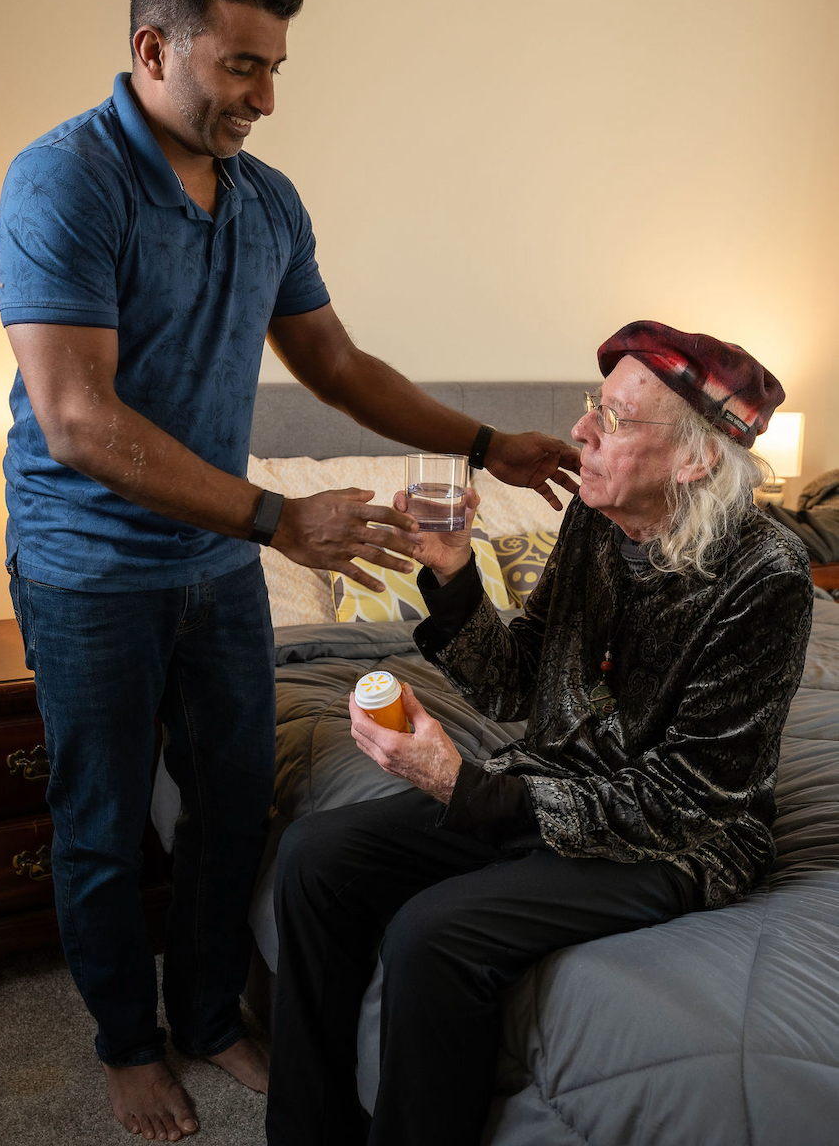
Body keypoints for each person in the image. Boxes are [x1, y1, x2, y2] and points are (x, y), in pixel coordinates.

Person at [0, 0, 578, 1144]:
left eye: (275, 69)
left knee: (232, 802)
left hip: (213, 565)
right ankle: (121, 1041)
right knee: (99, 818)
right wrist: (276, 515)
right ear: (154, 49)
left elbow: (334, 362)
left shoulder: (267, 201)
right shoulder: (61, 180)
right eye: (240, 65)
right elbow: (80, 417)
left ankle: (207, 1011)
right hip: (89, 564)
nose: (263, 97)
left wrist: (486, 442)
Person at [266, 320, 814, 1146]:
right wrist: (452, 577)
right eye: (596, 405)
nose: (581, 431)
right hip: (549, 784)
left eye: (617, 421)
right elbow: (519, 680)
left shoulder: (766, 574)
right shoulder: (596, 520)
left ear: (698, 459)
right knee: (314, 858)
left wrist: (469, 790)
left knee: (433, 933)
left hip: (679, 840)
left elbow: (687, 799)